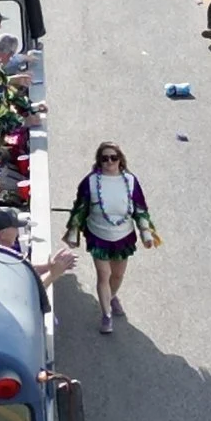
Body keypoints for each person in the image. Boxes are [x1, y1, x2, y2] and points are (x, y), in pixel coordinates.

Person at [66, 142, 154, 335]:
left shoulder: (130, 181)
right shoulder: (90, 182)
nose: (109, 162)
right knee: (103, 275)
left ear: (120, 159)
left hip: (124, 236)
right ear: (99, 161)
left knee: (117, 275)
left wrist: (146, 233)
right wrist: (73, 233)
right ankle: (106, 315)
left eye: (113, 158)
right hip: (99, 236)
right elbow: (80, 209)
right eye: (104, 158)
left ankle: (111, 296)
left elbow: (140, 209)